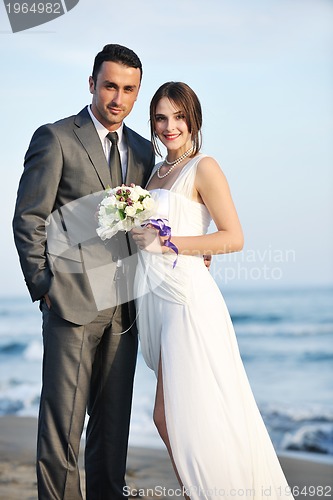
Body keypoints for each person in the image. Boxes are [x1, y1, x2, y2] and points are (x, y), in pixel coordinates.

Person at [132, 82, 295, 499]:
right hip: (161, 298)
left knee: (178, 418)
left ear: (194, 120)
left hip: (189, 301)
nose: (170, 126)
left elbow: (234, 237)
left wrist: (171, 244)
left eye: (179, 117)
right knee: (176, 418)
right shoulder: (154, 173)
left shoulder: (203, 166)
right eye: (161, 118)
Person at [12, 44, 155, 499]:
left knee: (112, 434)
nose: (118, 98)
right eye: (110, 85)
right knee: (62, 435)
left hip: (125, 310)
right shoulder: (55, 138)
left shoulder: (142, 150)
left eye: (129, 89)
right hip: (71, 304)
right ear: (92, 84)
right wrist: (44, 286)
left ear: (137, 93)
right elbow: (29, 218)